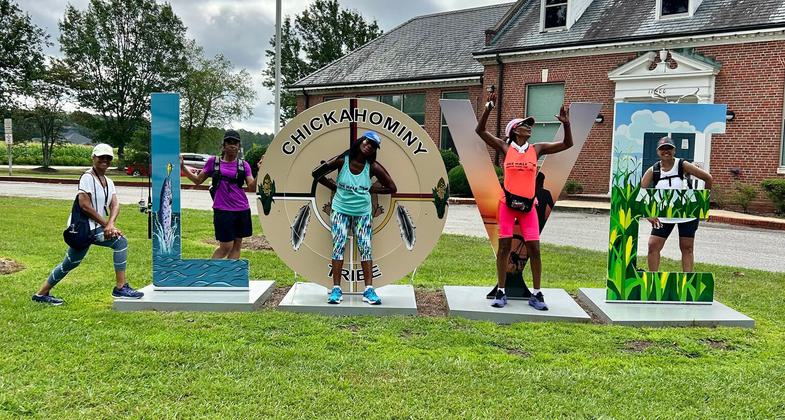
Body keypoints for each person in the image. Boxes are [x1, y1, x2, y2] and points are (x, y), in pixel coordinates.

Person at [475, 92, 572, 310]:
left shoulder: (537, 149)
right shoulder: (505, 147)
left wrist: (566, 124)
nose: (529, 127)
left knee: (534, 250)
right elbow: (480, 131)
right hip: (507, 206)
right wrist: (489, 107)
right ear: (513, 130)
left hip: (529, 208)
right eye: (524, 124)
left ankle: (537, 294)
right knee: (504, 249)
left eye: (530, 125)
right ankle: (501, 291)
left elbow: (568, 143)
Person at [32, 144, 143, 305]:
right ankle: (120, 288)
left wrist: (110, 224)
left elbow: (115, 205)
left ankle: (41, 294)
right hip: (83, 230)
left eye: (108, 158)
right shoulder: (87, 178)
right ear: (93, 158)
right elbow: (84, 205)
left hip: (97, 228)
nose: (104, 160)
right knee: (72, 262)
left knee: (73, 262)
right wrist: (106, 225)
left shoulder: (108, 181)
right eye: (101, 157)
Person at [312, 131, 397, 305]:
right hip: (340, 210)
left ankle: (369, 290)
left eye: (373, 146)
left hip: (363, 212)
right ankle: (336, 289)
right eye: (368, 142)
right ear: (360, 141)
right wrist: (332, 186)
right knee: (338, 246)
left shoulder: (372, 167)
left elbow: (391, 187)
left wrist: (371, 190)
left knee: (366, 247)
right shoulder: (342, 160)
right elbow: (316, 174)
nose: (369, 146)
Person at [181, 129, 262, 259]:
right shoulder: (213, 162)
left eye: (235, 143)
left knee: (237, 245)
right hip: (222, 210)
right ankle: (211, 275)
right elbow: (197, 180)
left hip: (242, 209)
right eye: (229, 142)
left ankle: (229, 277)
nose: (232, 145)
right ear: (223, 145)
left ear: (239, 146)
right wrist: (183, 167)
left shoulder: (244, 165)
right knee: (226, 246)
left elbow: (252, 187)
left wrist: (260, 171)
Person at [641, 136, 713, 272]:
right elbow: (642, 191)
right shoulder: (653, 170)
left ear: (674, 150)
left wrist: (703, 204)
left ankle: (687, 282)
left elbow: (707, 178)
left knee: (687, 248)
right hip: (663, 215)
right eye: (662, 149)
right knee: (653, 246)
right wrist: (648, 214)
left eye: (669, 148)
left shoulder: (682, 165)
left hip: (687, 215)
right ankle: (652, 281)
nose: (666, 151)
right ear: (658, 152)